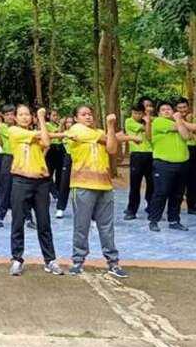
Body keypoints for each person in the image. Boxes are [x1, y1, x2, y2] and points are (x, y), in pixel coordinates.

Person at [66, 106, 129, 278]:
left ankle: (113, 262)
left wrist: (110, 127)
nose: (88, 117)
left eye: (90, 114)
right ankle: (78, 260)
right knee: (81, 225)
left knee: (107, 226)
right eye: (83, 114)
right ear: (76, 118)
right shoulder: (75, 130)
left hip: (105, 186)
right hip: (82, 185)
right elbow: (110, 141)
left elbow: (112, 149)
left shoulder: (101, 132)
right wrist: (113, 135)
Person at [5, 106, 63, 276]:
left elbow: (46, 142)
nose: (24, 117)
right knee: (18, 221)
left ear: (32, 118)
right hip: (21, 180)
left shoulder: (38, 133)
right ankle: (17, 259)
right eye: (21, 114)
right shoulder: (14, 131)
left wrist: (41, 119)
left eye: (27, 114)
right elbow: (45, 139)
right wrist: (44, 123)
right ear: (15, 118)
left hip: (41, 183)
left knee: (44, 222)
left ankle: (50, 260)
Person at [146, 102, 191, 232]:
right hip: (164, 164)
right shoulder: (159, 122)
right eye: (163, 109)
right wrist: (180, 120)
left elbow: (186, 136)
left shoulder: (179, 123)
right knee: (161, 192)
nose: (166, 111)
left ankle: (174, 220)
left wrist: (180, 121)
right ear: (159, 113)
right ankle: (154, 220)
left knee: (178, 194)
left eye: (169, 109)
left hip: (182, 163)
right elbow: (183, 131)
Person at [175, 98, 196, 215]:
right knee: (180, 179)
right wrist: (188, 122)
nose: (182, 110)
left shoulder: (193, 118)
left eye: (184, 107)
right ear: (176, 109)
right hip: (180, 149)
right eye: (180, 108)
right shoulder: (174, 119)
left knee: (193, 179)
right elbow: (189, 128)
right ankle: (175, 206)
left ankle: (192, 205)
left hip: (192, 149)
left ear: (188, 107)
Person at [124, 102, 153, 220]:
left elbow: (150, 135)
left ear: (143, 113)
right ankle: (131, 210)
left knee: (152, 184)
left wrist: (148, 120)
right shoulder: (129, 121)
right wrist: (148, 121)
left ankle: (151, 208)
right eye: (134, 113)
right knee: (135, 184)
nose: (136, 115)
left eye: (139, 113)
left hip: (150, 154)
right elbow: (146, 130)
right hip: (137, 155)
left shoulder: (148, 121)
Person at [55, 116, 75, 217]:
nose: (69, 124)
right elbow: (58, 137)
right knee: (64, 183)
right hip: (68, 157)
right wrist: (60, 124)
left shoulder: (79, 132)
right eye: (67, 122)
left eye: (71, 122)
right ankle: (60, 208)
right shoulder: (64, 133)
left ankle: (86, 212)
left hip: (80, 158)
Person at [44, 108, 66, 201]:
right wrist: (61, 124)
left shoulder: (58, 125)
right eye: (53, 115)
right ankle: (53, 191)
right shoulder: (47, 125)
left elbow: (61, 138)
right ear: (48, 116)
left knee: (60, 171)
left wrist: (61, 125)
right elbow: (57, 134)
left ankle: (58, 191)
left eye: (57, 115)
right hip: (51, 148)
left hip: (60, 148)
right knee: (49, 172)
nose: (56, 117)